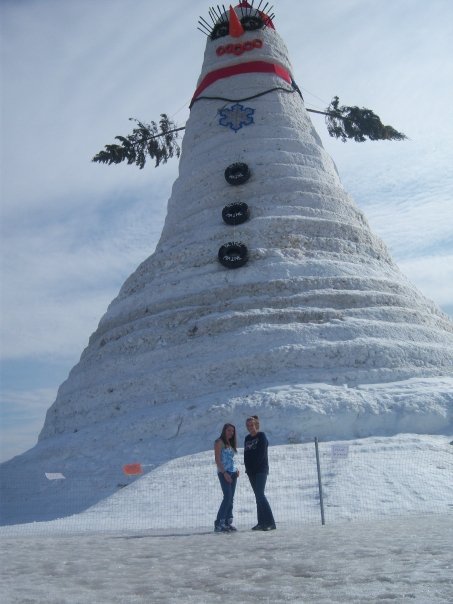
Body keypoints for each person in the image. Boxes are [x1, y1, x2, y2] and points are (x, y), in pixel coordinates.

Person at [244, 415, 276, 531]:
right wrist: (248, 469)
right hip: (251, 472)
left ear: (256, 425)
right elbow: (246, 455)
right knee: (257, 496)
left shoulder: (261, 436)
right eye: (248, 425)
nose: (250, 427)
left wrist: (254, 467)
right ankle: (261, 522)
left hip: (261, 470)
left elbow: (261, 454)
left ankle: (270, 523)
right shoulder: (247, 438)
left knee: (260, 494)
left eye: (251, 425)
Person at [214, 423, 239, 532]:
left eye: (232, 431)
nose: (231, 433)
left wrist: (236, 469)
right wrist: (224, 473)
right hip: (224, 473)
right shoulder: (219, 442)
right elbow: (218, 459)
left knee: (231, 498)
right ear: (224, 430)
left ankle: (228, 522)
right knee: (227, 496)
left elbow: (230, 459)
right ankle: (219, 522)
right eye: (229, 430)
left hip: (233, 472)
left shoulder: (230, 443)